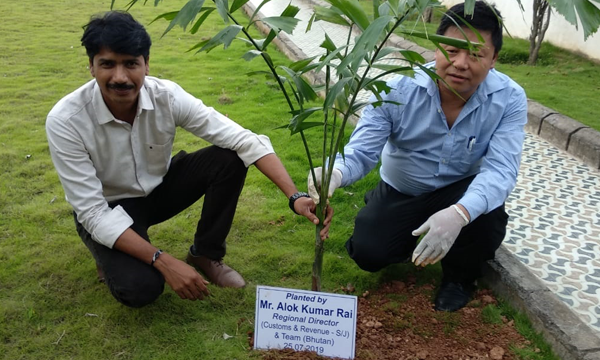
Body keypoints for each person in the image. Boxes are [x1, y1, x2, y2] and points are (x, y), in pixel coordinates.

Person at [46, 11, 332, 308]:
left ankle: (205, 254)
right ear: (91, 67)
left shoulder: (166, 97)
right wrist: (162, 260)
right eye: (107, 64)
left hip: (158, 189)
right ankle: (107, 252)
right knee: (141, 289)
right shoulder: (66, 120)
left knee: (230, 158)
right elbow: (92, 212)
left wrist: (295, 196)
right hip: (109, 207)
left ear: (146, 64)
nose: (120, 77)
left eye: (131, 64)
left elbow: (245, 140)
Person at [308, 1, 527, 312]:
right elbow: (360, 152)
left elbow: (501, 169)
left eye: (476, 53)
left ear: (493, 60)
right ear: (436, 47)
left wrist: (460, 213)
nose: (461, 63)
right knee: (369, 253)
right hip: (403, 190)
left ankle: (459, 278)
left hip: (461, 188)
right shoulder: (396, 89)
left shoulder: (509, 98)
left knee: (487, 217)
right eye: (452, 49)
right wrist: (333, 176)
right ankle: (401, 225)